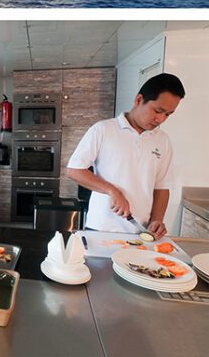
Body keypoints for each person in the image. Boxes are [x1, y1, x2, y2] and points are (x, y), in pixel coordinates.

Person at [65, 73, 185, 240]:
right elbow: (74, 170)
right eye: (158, 111)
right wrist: (112, 191)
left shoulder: (163, 140)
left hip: (141, 232)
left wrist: (157, 220)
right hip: (101, 229)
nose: (161, 119)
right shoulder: (103, 130)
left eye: (168, 114)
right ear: (138, 100)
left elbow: (162, 187)